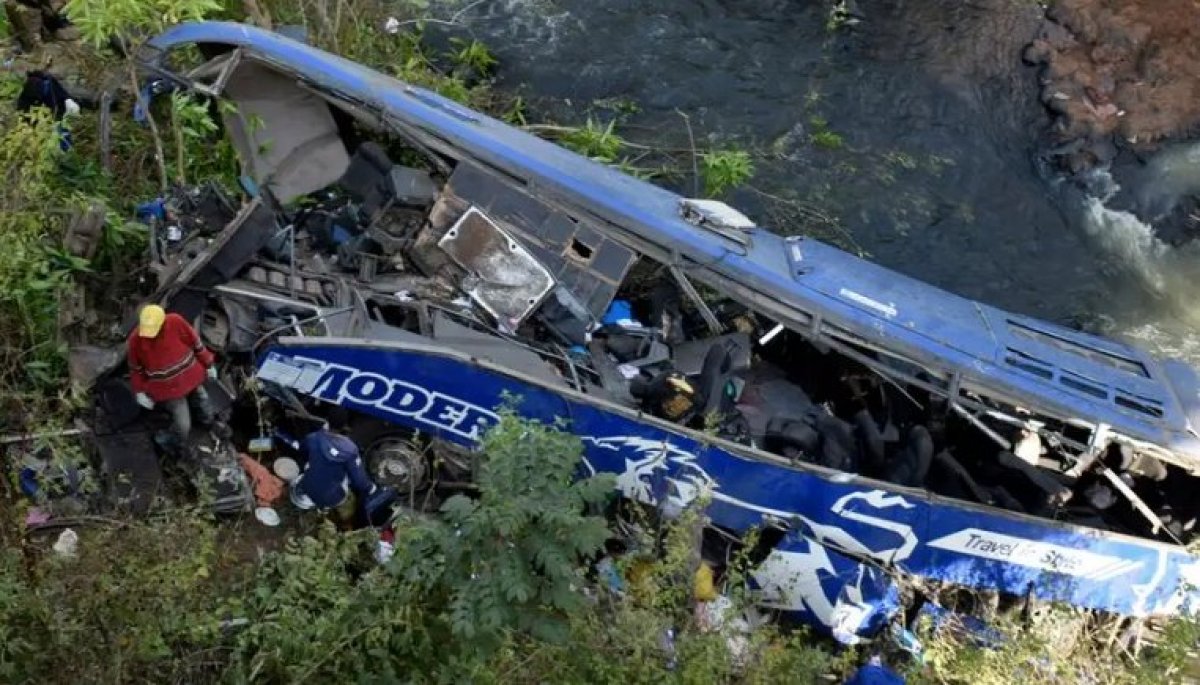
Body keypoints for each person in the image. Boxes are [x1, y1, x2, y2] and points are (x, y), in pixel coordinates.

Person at [127, 304, 217, 453]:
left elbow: (196, 343)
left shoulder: (176, 322)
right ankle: (169, 442)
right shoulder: (136, 341)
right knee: (183, 426)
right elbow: (136, 369)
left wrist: (208, 363)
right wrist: (140, 391)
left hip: (191, 377)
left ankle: (208, 427)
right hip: (168, 390)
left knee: (205, 407)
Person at [289, 417, 379, 527]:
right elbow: (359, 481)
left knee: (315, 465)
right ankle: (328, 509)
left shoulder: (314, 437)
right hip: (331, 499)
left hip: (306, 486)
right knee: (349, 474)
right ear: (345, 427)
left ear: (327, 422)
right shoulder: (350, 449)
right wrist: (370, 488)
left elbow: (302, 451)